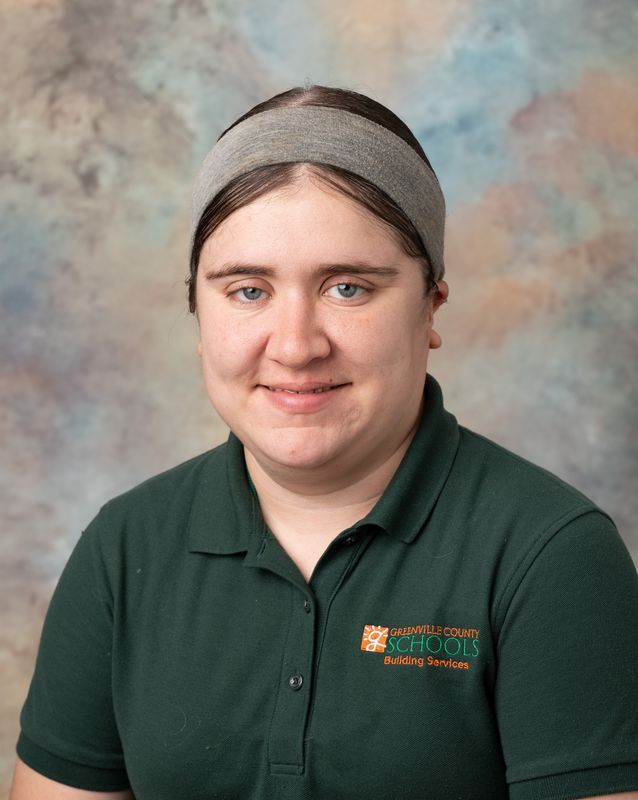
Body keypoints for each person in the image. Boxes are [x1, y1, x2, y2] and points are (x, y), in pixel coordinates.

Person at [10, 85, 638, 800]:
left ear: (431, 305)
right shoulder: (124, 549)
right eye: (248, 290)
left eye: (348, 288)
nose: (296, 346)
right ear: (198, 313)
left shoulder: (551, 557)